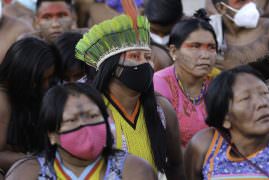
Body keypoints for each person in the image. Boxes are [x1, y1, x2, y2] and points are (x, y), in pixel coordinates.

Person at [75, 0, 184, 179]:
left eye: (148, 56)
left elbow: (176, 165)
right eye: (134, 56)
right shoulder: (91, 112)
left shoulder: (162, 109)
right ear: (111, 67)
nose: (144, 63)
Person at [185, 65, 269, 179]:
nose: (262, 103)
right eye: (246, 99)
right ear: (225, 118)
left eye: (265, 94)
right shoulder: (205, 146)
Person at [5, 83, 156, 179]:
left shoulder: (135, 171)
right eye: (72, 120)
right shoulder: (27, 174)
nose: (86, 126)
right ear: (52, 134)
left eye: (93, 116)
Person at [153, 9, 218, 147]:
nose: (205, 55)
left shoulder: (218, 82)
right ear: (173, 51)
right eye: (195, 46)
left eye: (211, 47)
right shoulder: (159, 83)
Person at [0, 38, 61, 170]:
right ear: (21, 75)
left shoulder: (35, 95)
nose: (46, 85)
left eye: (50, 79)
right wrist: (37, 161)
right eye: (39, 80)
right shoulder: (2, 100)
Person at [209, 0, 269, 70]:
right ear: (221, 8)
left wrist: (235, 69)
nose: (249, 4)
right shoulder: (214, 38)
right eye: (240, 1)